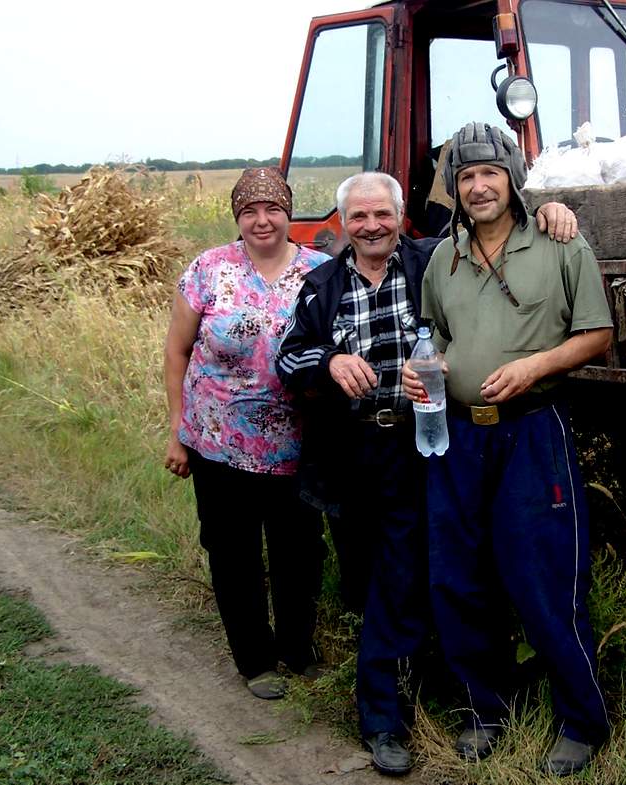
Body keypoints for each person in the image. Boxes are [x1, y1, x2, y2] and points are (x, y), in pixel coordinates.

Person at [277, 171, 577, 776]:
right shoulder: (320, 286)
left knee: (465, 569)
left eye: (382, 214)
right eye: (358, 217)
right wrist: (331, 360)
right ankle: (384, 719)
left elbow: (496, 225)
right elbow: (287, 355)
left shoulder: (435, 259)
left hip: (444, 440)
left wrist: (551, 208)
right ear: (342, 224)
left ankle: (478, 698)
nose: (371, 226)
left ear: (400, 216)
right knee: (392, 579)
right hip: (368, 449)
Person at [402, 122, 614, 777]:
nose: (479, 186)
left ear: (511, 177)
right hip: (459, 435)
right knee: (458, 576)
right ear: (457, 190)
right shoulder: (444, 258)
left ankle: (581, 722)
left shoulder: (558, 241)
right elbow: (436, 333)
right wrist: (423, 368)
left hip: (531, 430)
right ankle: (483, 710)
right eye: (466, 177)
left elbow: (598, 332)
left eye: (489, 173)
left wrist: (533, 366)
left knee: (544, 575)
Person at [163, 167, 329, 701]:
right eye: (250, 211)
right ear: (238, 217)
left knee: (299, 552)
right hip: (218, 444)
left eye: (273, 208)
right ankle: (256, 661)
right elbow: (177, 352)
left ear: (288, 212)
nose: (262, 220)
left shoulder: (321, 272)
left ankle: (297, 650)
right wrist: (177, 432)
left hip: (298, 445)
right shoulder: (208, 270)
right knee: (233, 553)